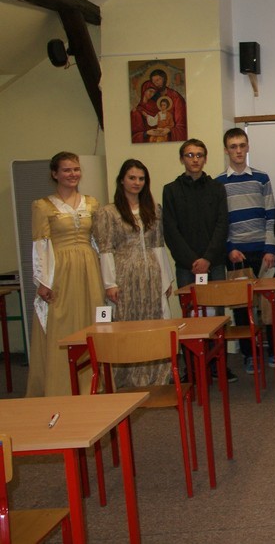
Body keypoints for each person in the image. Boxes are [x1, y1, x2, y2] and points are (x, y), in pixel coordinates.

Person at [26, 152, 106, 397]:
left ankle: (92, 383)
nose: (73, 174)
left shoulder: (91, 203)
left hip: (88, 268)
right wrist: (43, 281)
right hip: (60, 270)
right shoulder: (43, 206)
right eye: (67, 170)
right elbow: (40, 244)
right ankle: (61, 385)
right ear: (55, 174)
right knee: (61, 325)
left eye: (76, 169)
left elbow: (97, 241)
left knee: (91, 322)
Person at [93, 159, 174, 388]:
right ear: (122, 180)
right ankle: (127, 376)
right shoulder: (108, 212)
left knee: (154, 321)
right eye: (132, 178)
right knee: (127, 323)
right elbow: (106, 249)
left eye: (141, 178)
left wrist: (165, 279)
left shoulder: (153, 209)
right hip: (124, 274)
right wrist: (110, 283)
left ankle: (155, 375)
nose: (137, 182)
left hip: (151, 272)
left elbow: (158, 245)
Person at [163, 138, 233, 381]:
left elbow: (222, 225)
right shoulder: (171, 190)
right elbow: (170, 230)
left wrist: (207, 259)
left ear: (205, 158)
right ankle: (191, 369)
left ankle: (218, 366)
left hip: (214, 264)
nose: (195, 159)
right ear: (182, 159)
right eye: (190, 155)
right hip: (186, 266)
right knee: (189, 318)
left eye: (199, 155)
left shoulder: (217, 188)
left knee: (216, 315)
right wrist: (192, 260)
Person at [216, 128, 275, 375]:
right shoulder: (218, 183)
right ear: (226, 150)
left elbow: (271, 215)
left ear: (248, 147)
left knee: (270, 307)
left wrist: (270, 248)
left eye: (242, 145)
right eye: (233, 146)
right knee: (243, 309)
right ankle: (250, 355)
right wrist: (229, 248)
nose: (238, 151)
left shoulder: (261, 178)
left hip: (263, 253)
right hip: (237, 256)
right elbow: (220, 222)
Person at [130, 69, 187, 143]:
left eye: (158, 80)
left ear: (165, 79)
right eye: (153, 81)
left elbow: (181, 125)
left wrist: (169, 130)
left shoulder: (175, 97)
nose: (156, 83)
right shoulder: (152, 99)